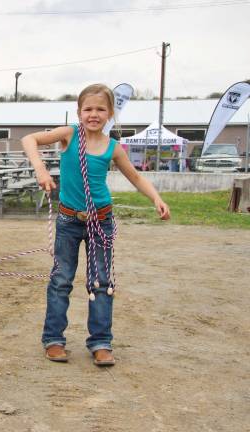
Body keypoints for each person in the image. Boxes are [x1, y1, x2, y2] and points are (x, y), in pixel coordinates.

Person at [21, 83, 170, 366]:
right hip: (68, 220)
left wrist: (157, 199)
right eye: (88, 108)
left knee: (102, 282)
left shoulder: (114, 148)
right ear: (78, 112)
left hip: (101, 221)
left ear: (110, 113)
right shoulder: (68, 136)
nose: (94, 114)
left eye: (100, 109)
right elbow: (29, 139)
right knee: (61, 279)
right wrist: (40, 169)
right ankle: (53, 339)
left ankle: (101, 342)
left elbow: (136, 178)